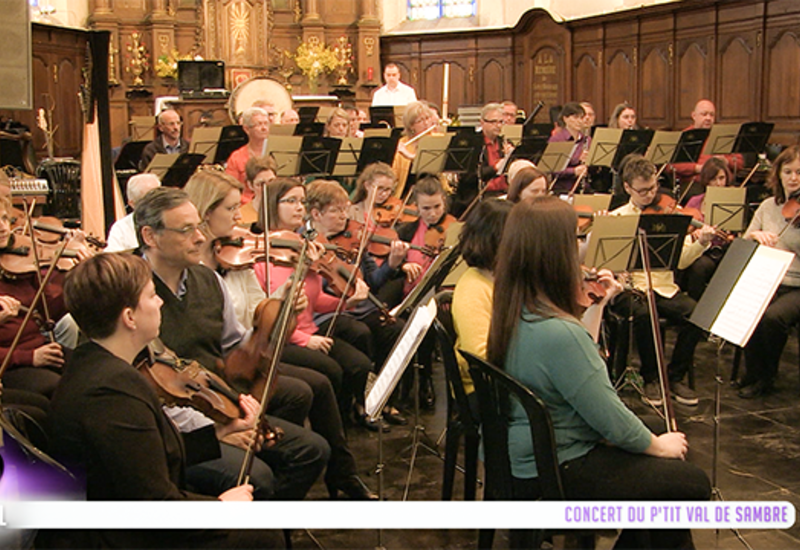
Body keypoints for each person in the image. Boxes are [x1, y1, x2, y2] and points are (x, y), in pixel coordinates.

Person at [487, 196, 711, 550]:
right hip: (559, 465)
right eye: (574, 241)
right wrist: (658, 447)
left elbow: (575, 366)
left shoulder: (516, 307)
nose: (579, 250)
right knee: (691, 483)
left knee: (664, 466)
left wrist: (599, 304)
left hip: (531, 453)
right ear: (555, 255)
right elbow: (609, 417)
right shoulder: (560, 333)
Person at [49, 253, 285, 549]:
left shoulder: (100, 365)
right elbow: (153, 503)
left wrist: (223, 431)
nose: (160, 302)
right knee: (262, 535)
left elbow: (146, 458)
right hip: (114, 536)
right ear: (129, 317)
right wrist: (221, 508)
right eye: (151, 295)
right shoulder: (111, 391)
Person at [183, 170, 377, 499]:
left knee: (318, 383)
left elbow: (258, 318)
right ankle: (270, 465)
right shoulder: (203, 274)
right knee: (308, 386)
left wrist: (283, 302)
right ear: (205, 213)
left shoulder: (237, 263)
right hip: (224, 372)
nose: (239, 217)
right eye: (231, 209)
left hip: (247, 355)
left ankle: (339, 472)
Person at [134, 186, 329, 500]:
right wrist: (219, 431)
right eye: (186, 230)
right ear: (150, 236)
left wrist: (271, 323)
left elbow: (234, 349)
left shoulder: (208, 280)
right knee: (259, 476)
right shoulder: (132, 289)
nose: (200, 237)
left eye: (199, 227)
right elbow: (149, 393)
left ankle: (269, 534)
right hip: (174, 427)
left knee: (312, 449)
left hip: (217, 400)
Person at [253, 179, 377, 430]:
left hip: (309, 330)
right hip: (282, 338)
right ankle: (331, 430)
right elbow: (265, 310)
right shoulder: (262, 252)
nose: (300, 207)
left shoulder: (303, 245)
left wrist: (345, 302)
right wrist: (303, 340)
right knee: (332, 371)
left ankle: (344, 421)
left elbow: (315, 300)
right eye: (291, 201)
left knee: (359, 364)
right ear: (271, 205)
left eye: (301, 201)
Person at [607, 155, 715, 407]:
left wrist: (701, 242)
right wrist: (614, 270)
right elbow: (603, 258)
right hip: (629, 288)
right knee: (645, 315)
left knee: (698, 314)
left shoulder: (670, 217)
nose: (649, 195)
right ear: (627, 188)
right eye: (642, 191)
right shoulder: (616, 218)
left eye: (653, 188)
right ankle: (650, 377)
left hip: (664, 288)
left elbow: (682, 262)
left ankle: (674, 376)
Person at [0, 197, 90, 399]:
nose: (3, 227)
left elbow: (51, 312)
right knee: (60, 392)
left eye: (5, 219)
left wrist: (76, 277)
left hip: (41, 350)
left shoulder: (16, 265)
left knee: (96, 370)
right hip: (11, 365)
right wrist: (29, 357)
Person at [738, 145, 800, 398]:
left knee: (773, 317)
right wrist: (756, 235)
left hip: (797, 284)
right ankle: (753, 372)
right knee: (749, 309)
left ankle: (767, 376)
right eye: (788, 171)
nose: (793, 178)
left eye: (799, 172)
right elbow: (744, 241)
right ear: (778, 174)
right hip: (769, 279)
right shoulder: (767, 206)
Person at [679, 157, 734, 301]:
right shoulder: (695, 201)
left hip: (726, 250)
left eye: (722, 178)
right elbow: (684, 229)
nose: (718, 183)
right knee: (699, 267)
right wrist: (694, 232)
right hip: (705, 251)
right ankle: (695, 304)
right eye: (713, 179)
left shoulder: (734, 200)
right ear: (706, 180)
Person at [671, 99, 744, 189]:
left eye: (711, 115)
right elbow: (671, 165)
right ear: (694, 116)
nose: (708, 118)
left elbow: (739, 162)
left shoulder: (722, 135)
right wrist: (698, 168)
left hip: (723, 183)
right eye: (704, 114)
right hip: (696, 183)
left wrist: (726, 161)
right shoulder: (684, 136)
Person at [392, 101, 437, 198]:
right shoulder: (402, 144)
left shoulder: (437, 139)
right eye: (420, 121)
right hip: (408, 193)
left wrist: (411, 157)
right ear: (411, 126)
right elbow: (394, 176)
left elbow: (436, 169)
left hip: (434, 191)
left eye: (427, 118)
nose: (426, 123)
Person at [106, 173, 160, 252]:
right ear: (132, 204)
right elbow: (115, 260)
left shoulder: (174, 218)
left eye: (158, 197)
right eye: (148, 200)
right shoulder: (121, 228)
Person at [225, 106, 272, 198]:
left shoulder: (278, 151)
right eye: (259, 124)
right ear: (246, 129)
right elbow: (230, 188)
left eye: (266, 124)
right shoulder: (236, 157)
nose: (264, 128)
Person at [548, 102, 590, 195]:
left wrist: (590, 161)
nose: (579, 121)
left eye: (581, 117)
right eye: (575, 117)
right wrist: (574, 170)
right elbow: (553, 169)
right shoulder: (557, 140)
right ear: (565, 119)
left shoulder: (587, 140)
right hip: (562, 189)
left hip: (584, 190)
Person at [477, 103, 515, 194]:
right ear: (482, 122)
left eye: (501, 122)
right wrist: (495, 168)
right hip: (482, 194)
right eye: (494, 122)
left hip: (505, 191)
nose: (498, 126)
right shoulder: (475, 144)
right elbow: (474, 175)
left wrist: (511, 157)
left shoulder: (504, 142)